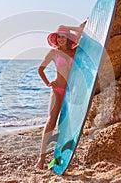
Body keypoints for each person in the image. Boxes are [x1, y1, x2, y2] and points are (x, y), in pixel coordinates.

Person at [35, 22, 86, 170]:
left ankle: (60, 155)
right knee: (51, 121)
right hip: (57, 90)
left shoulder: (75, 51)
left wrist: (70, 28)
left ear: (68, 38)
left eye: (63, 37)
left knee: (66, 125)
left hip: (72, 91)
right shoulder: (53, 53)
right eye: (58, 37)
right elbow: (40, 69)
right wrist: (48, 83)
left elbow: (82, 32)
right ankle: (41, 159)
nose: (60, 39)